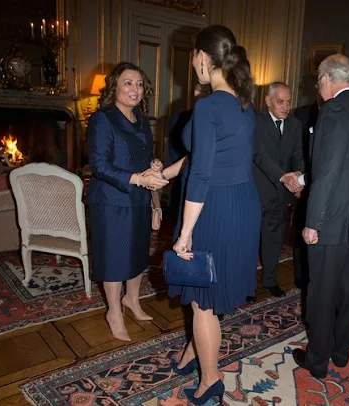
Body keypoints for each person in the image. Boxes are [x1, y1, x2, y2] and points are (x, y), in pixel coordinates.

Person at [167, 25, 261, 405]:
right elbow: (211, 155)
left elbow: (204, 172)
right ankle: (195, 352)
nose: (192, 63)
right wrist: (169, 172)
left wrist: (185, 232)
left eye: (193, 56)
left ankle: (211, 380)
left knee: (202, 299)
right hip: (242, 203)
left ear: (203, 58)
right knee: (211, 290)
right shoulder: (243, 102)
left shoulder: (207, 106)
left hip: (213, 207)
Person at [292, 54, 349, 379]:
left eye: (318, 82)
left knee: (322, 292)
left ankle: (317, 361)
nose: (318, 88)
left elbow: (327, 173)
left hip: (333, 223)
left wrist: (313, 221)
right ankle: (341, 351)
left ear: (328, 78)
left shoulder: (334, 110)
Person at [87, 62, 169, 342]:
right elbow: (99, 166)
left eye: (139, 84)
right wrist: (137, 178)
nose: (135, 89)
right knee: (113, 258)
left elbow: (146, 160)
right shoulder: (102, 119)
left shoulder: (143, 121)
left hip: (139, 199)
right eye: (128, 83)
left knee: (137, 253)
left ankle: (132, 300)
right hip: (110, 200)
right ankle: (113, 311)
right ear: (114, 87)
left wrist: (154, 178)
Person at [253, 81, 304, 298]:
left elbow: (298, 155)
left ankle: (270, 280)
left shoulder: (295, 125)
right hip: (257, 192)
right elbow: (259, 156)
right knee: (251, 241)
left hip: (282, 194)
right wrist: (283, 177)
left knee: (274, 239)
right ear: (268, 101)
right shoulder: (255, 122)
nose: (285, 106)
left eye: (288, 102)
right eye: (280, 102)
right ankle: (247, 285)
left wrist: (298, 179)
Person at [167, 83, 211, 215]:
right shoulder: (180, 118)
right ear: (196, 92)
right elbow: (174, 153)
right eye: (208, 92)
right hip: (184, 179)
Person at [293, 97, 321, 288]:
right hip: (304, 179)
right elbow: (298, 150)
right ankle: (300, 276)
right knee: (301, 228)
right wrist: (299, 181)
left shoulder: (340, 113)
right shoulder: (302, 113)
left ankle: (316, 276)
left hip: (325, 183)